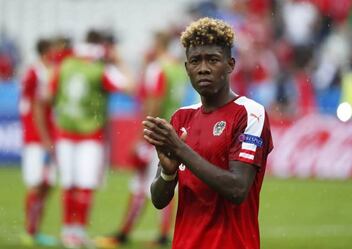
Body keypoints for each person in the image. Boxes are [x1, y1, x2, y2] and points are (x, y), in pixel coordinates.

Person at [143, 17, 273, 249]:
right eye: (195, 61)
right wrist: (168, 175)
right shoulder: (181, 118)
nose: (203, 68)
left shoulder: (250, 113)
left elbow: (237, 189)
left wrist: (180, 151)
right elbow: (158, 200)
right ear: (186, 68)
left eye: (213, 60)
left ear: (231, 64)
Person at [35, 30, 134, 248]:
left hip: (65, 132)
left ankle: (67, 231)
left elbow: (47, 97)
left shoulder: (65, 65)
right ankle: (77, 231)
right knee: (85, 185)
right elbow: (129, 87)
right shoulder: (100, 67)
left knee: (69, 184)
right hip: (91, 135)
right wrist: (119, 61)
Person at [95, 30, 189, 248]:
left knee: (140, 185)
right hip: (172, 132)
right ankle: (162, 234)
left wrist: (142, 136)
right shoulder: (176, 68)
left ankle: (125, 234)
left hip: (157, 133)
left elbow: (153, 102)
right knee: (167, 182)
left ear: (158, 45)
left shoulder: (158, 69)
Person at [19, 38, 57, 246]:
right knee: (36, 183)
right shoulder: (35, 72)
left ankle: (35, 230)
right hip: (36, 138)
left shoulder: (48, 71)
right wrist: (44, 138)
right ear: (45, 51)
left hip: (47, 136)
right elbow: (35, 107)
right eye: (53, 49)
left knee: (47, 183)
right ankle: (29, 231)